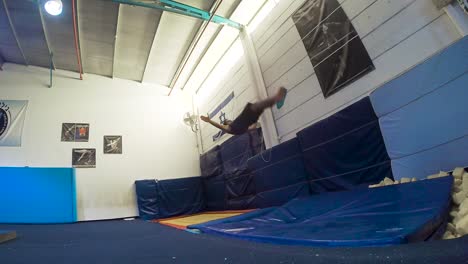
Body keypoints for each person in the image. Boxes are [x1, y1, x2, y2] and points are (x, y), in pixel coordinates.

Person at [200, 87, 287, 135]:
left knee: (260, 106)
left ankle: (276, 100)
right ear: (227, 125)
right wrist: (209, 121)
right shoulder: (230, 128)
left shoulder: (237, 128)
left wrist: (255, 124)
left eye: (228, 120)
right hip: (248, 115)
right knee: (258, 106)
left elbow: (250, 128)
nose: (229, 121)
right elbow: (220, 126)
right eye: (228, 121)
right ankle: (277, 98)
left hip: (250, 118)